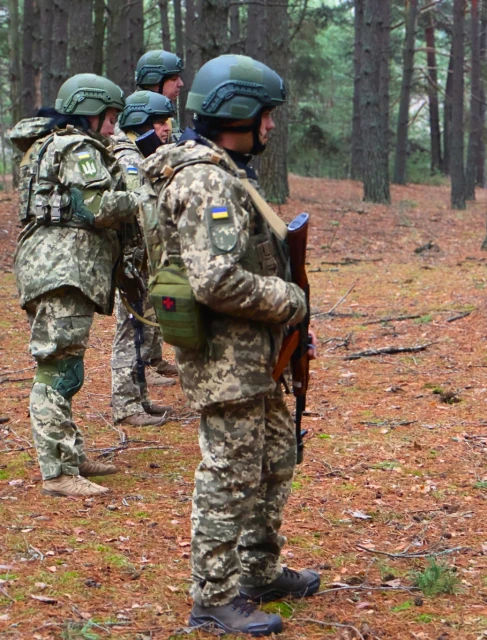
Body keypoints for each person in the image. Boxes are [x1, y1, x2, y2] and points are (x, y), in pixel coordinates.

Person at [141, 54, 319, 636]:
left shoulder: (229, 172)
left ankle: (258, 573)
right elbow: (214, 280)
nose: (271, 126)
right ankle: (213, 598)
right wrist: (289, 302)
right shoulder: (206, 180)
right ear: (239, 112)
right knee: (231, 474)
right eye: (266, 115)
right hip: (226, 360)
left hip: (256, 353)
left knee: (274, 460)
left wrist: (291, 326)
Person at [11, 74, 141, 497]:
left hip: (57, 267)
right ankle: (57, 473)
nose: (113, 126)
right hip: (61, 269)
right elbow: (100, 206)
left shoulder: (51, 144)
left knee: (68, 364)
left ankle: (69, 453)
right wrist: (147, 196)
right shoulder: (76, 146)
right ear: (90, 110)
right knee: (55, 367)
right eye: (110, 117)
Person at [110, 91, 180, 427]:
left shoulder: (142, 152)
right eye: (159, 121)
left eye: (167, 120)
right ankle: (125, 405)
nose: (167, 127)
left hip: (142, 256)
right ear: (140, 122)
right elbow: (140, 207)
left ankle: (139, 399)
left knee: (139, 327)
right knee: (129, 327)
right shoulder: (127, 157)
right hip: (130, 258)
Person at [135, 50, 185, 141]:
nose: (181, 84)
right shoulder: (134, 118)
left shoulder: (164, 116)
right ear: (155, 82)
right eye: (174, 79)